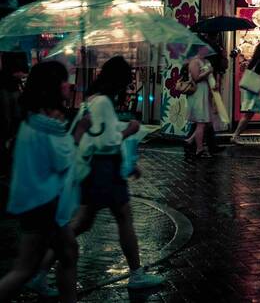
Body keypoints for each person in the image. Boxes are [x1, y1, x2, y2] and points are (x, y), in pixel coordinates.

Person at [0, 62, 90, 303]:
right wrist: (80, 129)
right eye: (62, 80)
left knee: (68, 252)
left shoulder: (38, 120)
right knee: (25, 268)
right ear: (50, 86)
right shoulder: (42, 124)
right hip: (43, 206)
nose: (68, 84)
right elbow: (62, 160)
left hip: (41, 203)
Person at [73, 56, 164, 288]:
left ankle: (40, 268)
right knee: (117, 218)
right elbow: (107, 141)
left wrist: (128, 163)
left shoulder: (93, 99)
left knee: (87, 221)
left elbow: (100, 133)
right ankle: (136, 274)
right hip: (104, 170)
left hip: (101, 169)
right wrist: (130, 130)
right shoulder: (102, 102)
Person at [184, 46, 215, 158]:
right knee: (201, 122)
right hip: (197, 94)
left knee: (206, 122)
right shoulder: (194, 62)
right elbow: (196, 78)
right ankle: (199, 149)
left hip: (205, 93)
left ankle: (190, 140)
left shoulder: (206, 61)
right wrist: (208, 72)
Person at [0, 51, 28, 166]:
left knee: (10, 117)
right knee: (9, 117)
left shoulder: (9, 56)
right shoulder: (14, 56)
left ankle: (10, 138)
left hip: (9, 88)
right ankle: (10, 138)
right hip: (8, 88)